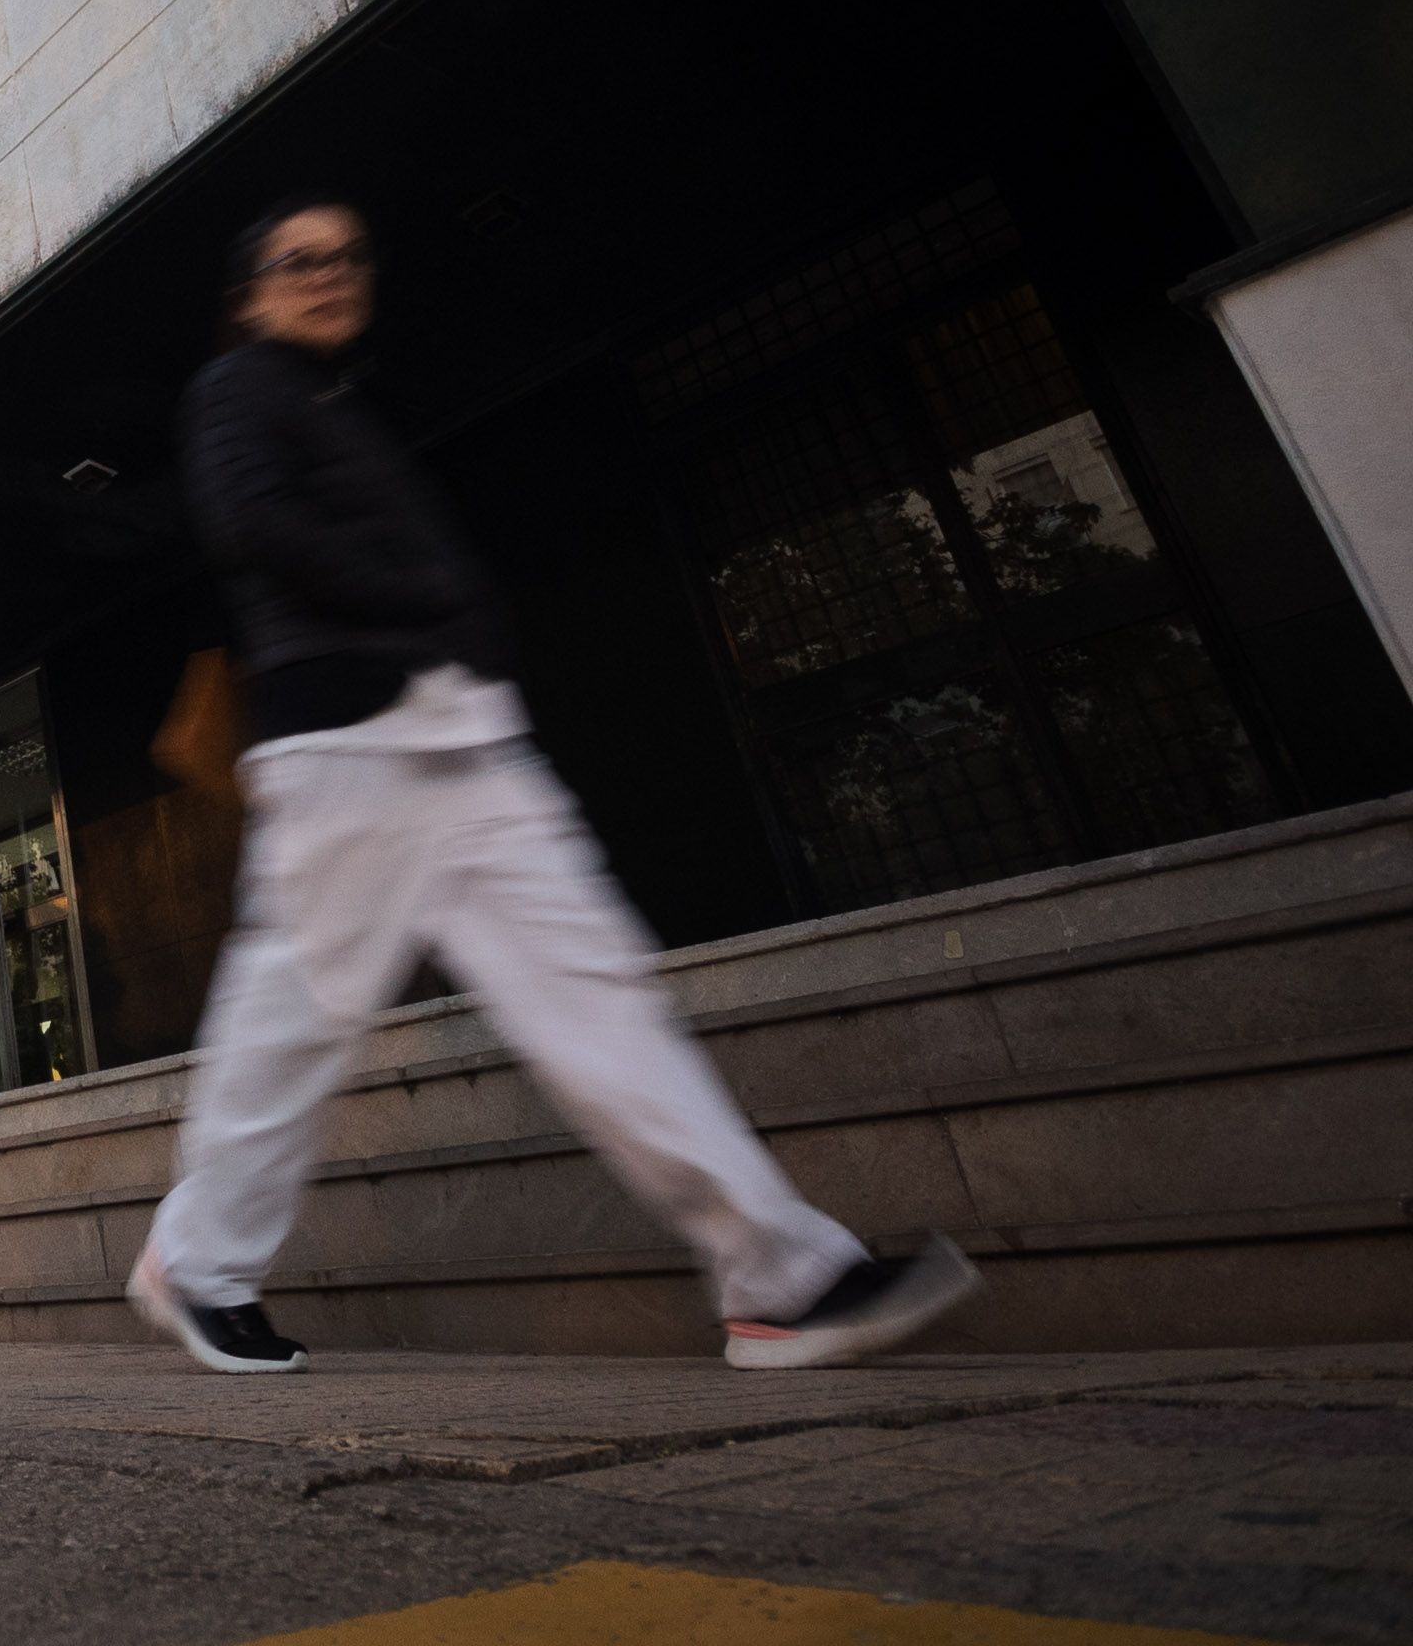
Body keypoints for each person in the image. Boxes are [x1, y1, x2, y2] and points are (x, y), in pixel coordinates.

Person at [128, 195, 980, 1375]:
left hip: (468, 744)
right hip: (349, 750)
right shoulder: (240, 389)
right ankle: (199, 1261)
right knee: (294, 1027)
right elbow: (251, 522)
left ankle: (781, 1274)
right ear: (250, 293)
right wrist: (431, 604)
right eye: (299, 259)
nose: (330, 274)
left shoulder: (339, 401)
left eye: (349, 255)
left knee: (600, 999)